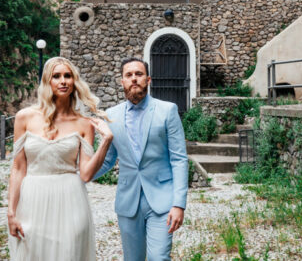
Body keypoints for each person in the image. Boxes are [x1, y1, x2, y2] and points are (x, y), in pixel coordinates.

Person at [7, 56, 113, 261]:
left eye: (68, 76)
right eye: (56, 76)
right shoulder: (25, 117)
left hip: (71, 200)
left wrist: (106, 140)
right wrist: (11, 212)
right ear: (47, 81)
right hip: (32, 199)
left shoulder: (84, 123)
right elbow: (18, 169)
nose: (63, 81)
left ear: (75, 82)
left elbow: (86, 174)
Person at [94, 57, 188, 261]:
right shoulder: (111, 115)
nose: (134, 79)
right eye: (129, 75)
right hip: (128, 201)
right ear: (122, 82)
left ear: (148, 79)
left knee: (158, 258)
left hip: (163, 201)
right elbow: (108, 160)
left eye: (139, 74)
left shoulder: (167, 110)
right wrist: (80, 175)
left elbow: (179, 159)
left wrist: (179, 204)